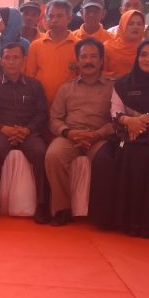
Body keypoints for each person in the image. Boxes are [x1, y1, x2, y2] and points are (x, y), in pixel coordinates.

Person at [88, 40, 149, 239]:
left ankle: (147, 223)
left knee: (146, 155)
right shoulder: (123, 83)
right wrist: (130, 121)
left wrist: (146, 119)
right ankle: (119, 220)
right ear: (137, 58)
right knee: (105, 159)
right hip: (127, 133)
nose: (148, 59)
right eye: (143, 55)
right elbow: (115, 111)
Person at [44, 38, 115, 226]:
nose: (88, 61)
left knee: (105, 160)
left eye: (93, 56)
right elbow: (54, 119)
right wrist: (68, 133)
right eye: (84, 57)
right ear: (77, 61)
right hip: (70, 137)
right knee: (53, 155)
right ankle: (62, 209)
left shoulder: (113, 87)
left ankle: (101, 213)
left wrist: (98, 134)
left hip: (99, 137)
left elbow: (117, 119)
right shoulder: (66, 88)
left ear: (101, 60)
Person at [0, 41, 50, 223]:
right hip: (0, 131)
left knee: (41, 153)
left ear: (24, 60)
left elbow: (42, 113)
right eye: (7, 58)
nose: (11, 62)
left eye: (16, 58)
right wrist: (4, 128)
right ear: (1, 60)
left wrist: (27, 130)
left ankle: (43, 205)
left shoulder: (35, 85)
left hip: (29, 132)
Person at [26, 0, 77, 104]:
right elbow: (30, 78)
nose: (54, 20)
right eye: (51, 16)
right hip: (40, 104)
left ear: (69, 18)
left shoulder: (79, 46)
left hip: (70, 105)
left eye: (59, 16)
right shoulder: (35, 46)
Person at [103, 9, 146, 77]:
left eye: (139, 24)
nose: (135, 27)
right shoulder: (108, 48)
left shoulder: (147, 47)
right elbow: (101, 74)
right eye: (131, 24)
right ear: (123, 25)